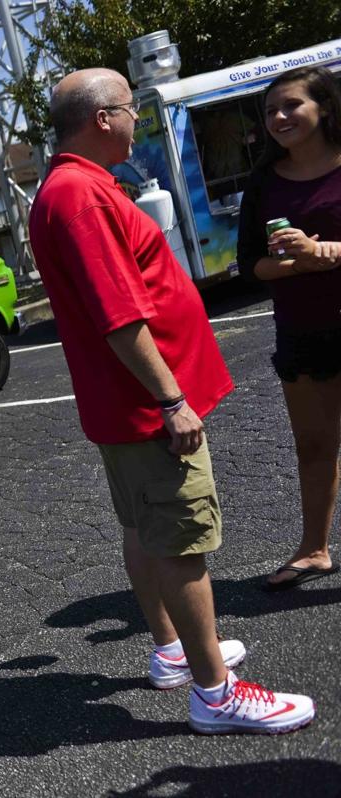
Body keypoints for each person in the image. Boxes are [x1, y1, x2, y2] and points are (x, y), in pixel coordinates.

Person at [29, 68, 314, 734]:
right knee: (182, 542)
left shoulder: (75, 186)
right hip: (145, 410)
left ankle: (174, 651)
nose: (137, 121)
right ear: (102, 118)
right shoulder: (80, 194)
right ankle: (217, 694)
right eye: (131, 109)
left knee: (145, 528)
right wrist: (170, 399)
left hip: (125, 408)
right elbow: (119, 316)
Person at [236, 67, 341, 590]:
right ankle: (314, 550)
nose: (279, 117)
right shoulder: (264, 182)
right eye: (270, 111)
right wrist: (299, 262)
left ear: (325, 106)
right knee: (313, 446)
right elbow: (250, 265)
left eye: (292, 105)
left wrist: (325, 252)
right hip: (303, 331)